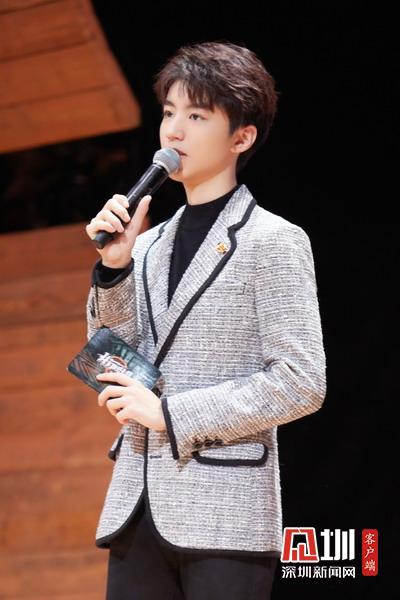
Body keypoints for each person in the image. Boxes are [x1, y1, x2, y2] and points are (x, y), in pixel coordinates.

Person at [85, 40, 326, 600]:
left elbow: (301, 381)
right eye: (169, 112)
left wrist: (171, 414)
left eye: (196, 116)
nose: (174, 131)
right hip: (136, 509)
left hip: (226, 515)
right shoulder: (145, 245)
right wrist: (114, 268)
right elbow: (108, 360)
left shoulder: (274, 241)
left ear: (242, 137)